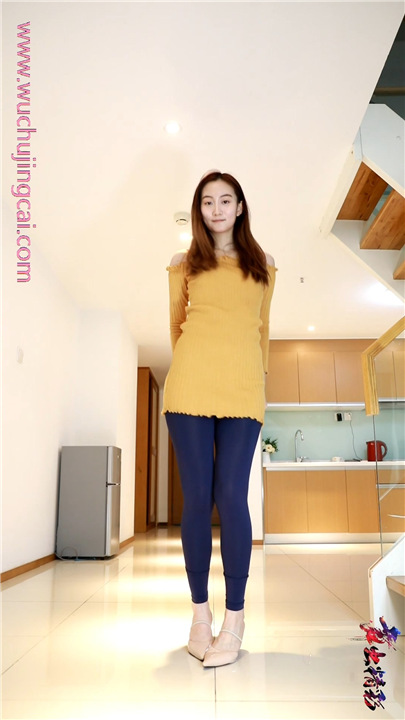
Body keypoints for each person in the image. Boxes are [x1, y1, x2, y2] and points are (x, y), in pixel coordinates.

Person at [162, 170, 276, 667]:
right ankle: (199, 616)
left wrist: (257, 380)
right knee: (197, 499)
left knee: (231, 495)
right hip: (189, 386)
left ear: (240, 207)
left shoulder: (264, 266)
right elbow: (176, 326)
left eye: (225, 200)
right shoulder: (183, 263)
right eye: (207, 202)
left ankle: (235, 618)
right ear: (199, 211)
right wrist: (195, 368)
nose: (216, 209)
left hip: (243, 389)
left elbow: (262, 330)